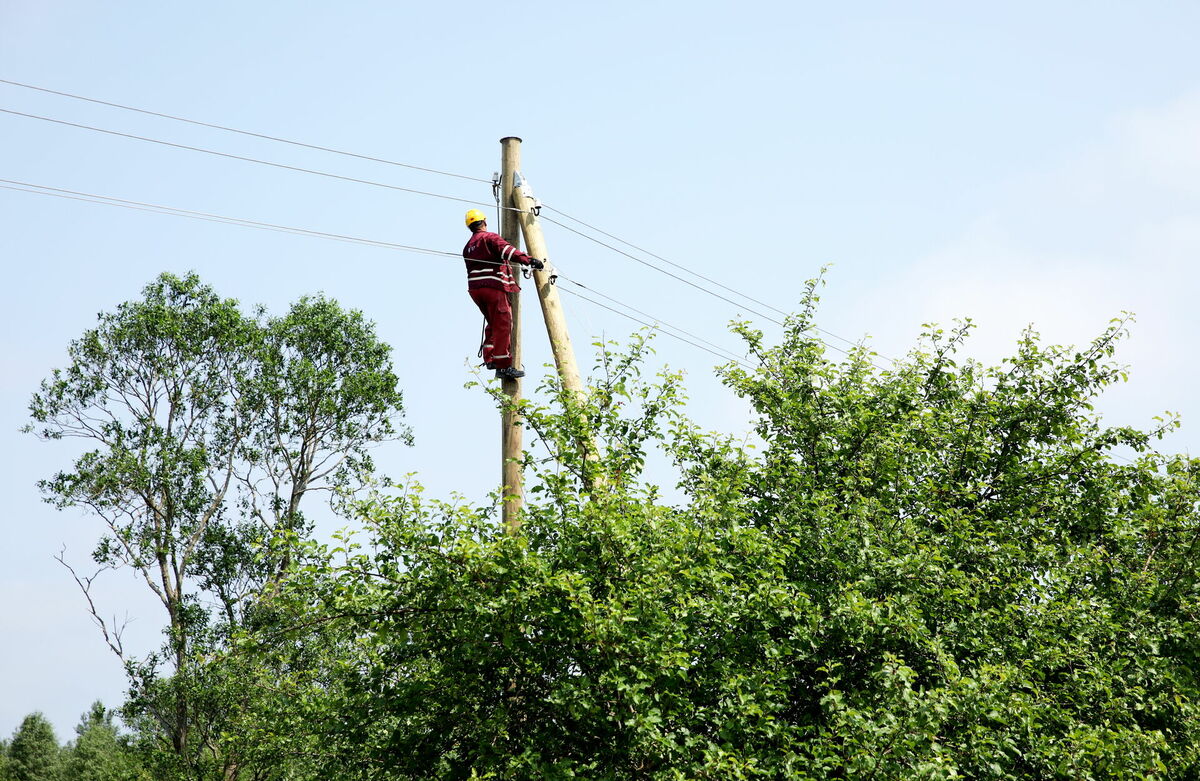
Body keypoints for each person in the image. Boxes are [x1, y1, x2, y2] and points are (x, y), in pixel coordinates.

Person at [462, 208, 543, 379]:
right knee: (503, 324)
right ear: (484, 222)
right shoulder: (490, 237)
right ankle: (504, 366)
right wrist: (529, 260)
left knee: (493, 322)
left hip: (476, 291)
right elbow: (509, 252)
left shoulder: (468, 247)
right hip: (493, 286)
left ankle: (490, 357)